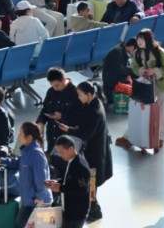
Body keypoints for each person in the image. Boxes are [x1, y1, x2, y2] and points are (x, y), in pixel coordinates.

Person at [57, 82, 112, 223]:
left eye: (81, 95)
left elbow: (86, 133)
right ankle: (93, 209)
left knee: (91, 183)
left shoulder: (95, 111)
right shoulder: (93, 104)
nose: (79, 98)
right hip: (94, 152)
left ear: (89, 94)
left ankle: (94, 211)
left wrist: (69, 130)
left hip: (94, 155)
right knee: (90, 183)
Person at [115, 29, 164, 152]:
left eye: (141, 39)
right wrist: (141, 71)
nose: (139, 41)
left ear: (148, 39)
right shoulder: (137, 53)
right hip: (147, 86)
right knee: (141, 111)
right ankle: (130, 136)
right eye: (138, 39)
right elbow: (135, 66)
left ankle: (160, 138)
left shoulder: (159, 51)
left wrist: (155, 71)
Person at [0, 122, 53, 228]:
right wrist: (3, 161)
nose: (19, 136)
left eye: (21, 134)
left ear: (29, 137)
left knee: (20, 224)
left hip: (37, 202)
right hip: (29, 200)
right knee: (19, 224)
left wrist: (40, 198)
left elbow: (43, 179)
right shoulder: (27, 152)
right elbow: (19, 163)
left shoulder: (36, 154)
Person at [45, 135, 92, 228]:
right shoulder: (71, 161)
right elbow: (70, 179)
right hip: (69, 210)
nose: (61, 155)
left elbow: (82, 190)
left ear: (70, 149)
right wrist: (57, 182)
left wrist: (60, 188)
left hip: (76, 214)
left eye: (62, 152)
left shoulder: (80, 166)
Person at [37, 68, 80, 148]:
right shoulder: (51, 92)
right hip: (52, 136)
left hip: (67, 139)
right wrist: (40, 122)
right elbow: (45, 110)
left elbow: (79, 117)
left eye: (57, 85)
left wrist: (62, 116)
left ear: (63, 80)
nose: (55, 88)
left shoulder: (76, 93)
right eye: (52, 85)